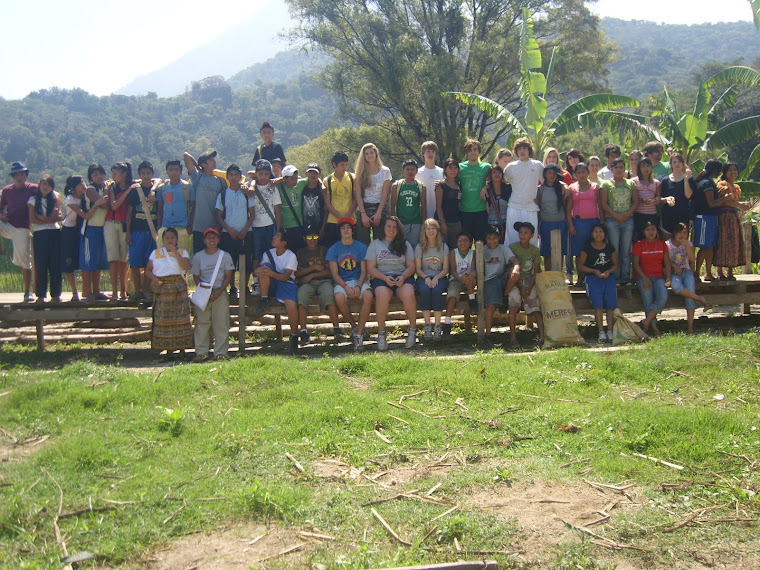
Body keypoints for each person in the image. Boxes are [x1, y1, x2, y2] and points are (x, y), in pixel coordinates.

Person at [366, 216, 417, 351]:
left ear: (398, 230)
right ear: (383, 228)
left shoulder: (405, 244)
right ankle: (382, 333)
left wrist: (403, 276)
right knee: (382, 295)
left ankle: (412, 330)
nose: (391, 229)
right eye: (388, 226)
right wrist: (384, 278)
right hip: (382, 278)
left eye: (394, 227)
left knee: (409, 293)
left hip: (402, 276)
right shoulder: (375, 244)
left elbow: (412, 266)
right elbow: (370, 268)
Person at [145, 227, 193, 360]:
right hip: (162, 288)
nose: (170, 240)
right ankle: (168, 351)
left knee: (181, 318)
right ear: (163, 240)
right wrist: (155, 279)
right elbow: (148, 270)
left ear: (177, 239)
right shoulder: (155, 253)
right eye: (167, 238)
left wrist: (175, 252)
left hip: (179, 288)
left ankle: (183, 350)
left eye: (172, 237)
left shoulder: (183, 252)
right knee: (164, 319)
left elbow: (186, 267)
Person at [326, 217, 373, 351]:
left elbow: (364, 270)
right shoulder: (334, 249)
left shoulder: (361, 247)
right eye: (343, 228)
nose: (346, 230)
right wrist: (346, 287)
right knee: (339, 297)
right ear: (339, 231)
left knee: (369, 296)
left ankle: (358, 335)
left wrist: (358, 286)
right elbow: (334, 274)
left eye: (348, 228)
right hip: (342, 281)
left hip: (359, 279)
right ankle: (355, 327)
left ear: (352, 231)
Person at [190, 227, 234, 362]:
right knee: (202, 323)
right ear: (204, 240)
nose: (211, 240)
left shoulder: (225, 255)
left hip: (220, 292)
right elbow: (196, 276)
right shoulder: (198, 256)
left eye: (214, 237)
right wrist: (203, 291)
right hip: (204, 293)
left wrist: (218, 291)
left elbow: (228, 277)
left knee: (221, 323)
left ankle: (221, 353)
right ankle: (201, 352)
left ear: (219, 239)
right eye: (208, 237)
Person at [62, 175, 108, 302]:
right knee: (70, 262)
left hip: (80, 230)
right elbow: (86, 215)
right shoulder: (70, 200)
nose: (83, 184)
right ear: (73, 187)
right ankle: (75, 292)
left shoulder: (83, 197)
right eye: (79, 183)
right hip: (69, 231)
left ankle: (94, 291)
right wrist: (96, 204)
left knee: (86, 260)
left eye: (83, 182)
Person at [253, 230, 300, 354]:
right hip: (271, 282)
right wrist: (259, 272)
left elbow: (285, 277)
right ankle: (264, 298)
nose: (273, 238)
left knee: (291, 305)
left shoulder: (291, 256)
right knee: (265, 267)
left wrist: (270, 273)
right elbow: (261, 271)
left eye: (277, 237)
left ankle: (294, 335)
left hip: (286, 283)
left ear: (284, 242)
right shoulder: (267, 254)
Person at [216, 164, 255, 300]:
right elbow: (219, 215)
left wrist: (245, 229)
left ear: (240, 177)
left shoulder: (246, 193)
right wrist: (228, 229)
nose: (233, 177)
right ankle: (232, 287)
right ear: (227, 177)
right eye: (231, 175)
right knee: (230, 262)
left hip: (246, 232)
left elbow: (252, 214)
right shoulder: (222, 194)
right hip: (228, 233)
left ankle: (244, 287)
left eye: (236, 175)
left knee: (246, 263)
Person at [295, 231, 341, 344]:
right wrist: (313, 268)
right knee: (301, 296)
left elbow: (329, 270)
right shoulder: (301, 252)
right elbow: (297, 273)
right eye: (309, 237)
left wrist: (313, 274)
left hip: (324, 281)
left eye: (315, 237)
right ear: (304, 238)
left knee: (329, 295)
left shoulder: (324, 250)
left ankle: (337, 330)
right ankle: (304, 331)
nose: (312, 239)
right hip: (307, 283)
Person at [0, 162, 36, 301]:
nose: (19, 177)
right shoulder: (7, 191)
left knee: (25, 262)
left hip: (22, 228)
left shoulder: (33, 188)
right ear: (13, 177)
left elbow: (52, 193)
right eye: (16, 175)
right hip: (8, 224)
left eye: (21, 174)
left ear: (26, 175)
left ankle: (28, 292)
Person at [667, 222, 712, 334]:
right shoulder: (668, 244)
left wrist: (687, 246)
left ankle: (690, 328)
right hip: (674, 272)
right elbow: (665, 262)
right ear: (675, 232)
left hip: (686, 271)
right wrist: (674, 265)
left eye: (685, 233)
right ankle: (700, 299)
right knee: (676, 287)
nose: (682, 235)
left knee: (689, 296)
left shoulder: (688, 244)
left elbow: (692, 260)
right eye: (680, 232)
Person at [599, 158, 638, 285]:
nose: (619, 170)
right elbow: (604, 203)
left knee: (626, 250)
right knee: (614, 249)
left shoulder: (631, 184)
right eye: (616, 167)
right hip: (612, 221)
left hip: (628, 220)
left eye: (622, 167)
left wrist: (627, 214)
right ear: (612, 169)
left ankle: (625, 277)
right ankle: (615, 276)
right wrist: (615, 215)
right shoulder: (606, 184)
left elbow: (635, 201)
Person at [578, 223, 618, 342]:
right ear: (592, 234)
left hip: (608, 278)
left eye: (601, 232)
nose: (598, 234)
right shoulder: (587, 248)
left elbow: (615, 265)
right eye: (596, 232)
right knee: (598, 305)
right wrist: (594, 271)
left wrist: (609, 271)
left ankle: (610, 331)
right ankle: (601, 331)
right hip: (592, 279)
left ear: (605, 234)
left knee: (610, 305)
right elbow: (580, 265)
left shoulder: (610, 248)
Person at [507, 222, 544, 349]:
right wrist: (521, 287)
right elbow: (511, 270)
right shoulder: (513, 247)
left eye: (526, 233)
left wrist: (529, 287)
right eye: (520, 232)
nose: (522, 235)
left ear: (531, 235)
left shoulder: (534, 250)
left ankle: (542, 337)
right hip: (515, 283)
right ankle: (513, 338)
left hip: (529, 282)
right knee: (513, 307)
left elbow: (537, 271)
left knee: (535, 308)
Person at [126, 161, 159, 301]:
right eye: (143, 173)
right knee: (134, 262)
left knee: (148, 263)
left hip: (151, 232)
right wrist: (128, 232)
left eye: (148, 173)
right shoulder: (135, 190)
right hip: (136, 231)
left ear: (152, 174)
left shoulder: (157, 189)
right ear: (139, 174)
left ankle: (146, 289)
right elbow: (129, 213)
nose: (146, 176)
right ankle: (137, 290)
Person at [632, 221, 671, 336]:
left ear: (657, 231)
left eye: (653, 229)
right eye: (648, 230)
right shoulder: (639, 244)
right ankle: (654, 327)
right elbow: (636, 264)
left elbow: (667, 263)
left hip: (659, 277)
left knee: (663, 297)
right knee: (647, 300)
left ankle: (646, 322)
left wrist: (668, 277)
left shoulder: (662, 244)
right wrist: (644, 278)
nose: (651, 232)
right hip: (643, 277)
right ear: (643, 232)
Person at [27, 175, 62, 303]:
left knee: (55, 264)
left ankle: (56, 294)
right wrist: (46, 220)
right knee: (41, 265)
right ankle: (41, 295)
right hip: (39, 234)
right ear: (39, 185)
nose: (46, 187)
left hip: (54, 232)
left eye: (49, 184)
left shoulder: (55, 198)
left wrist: (43, 219)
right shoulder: (32, 200)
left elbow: (59, 217)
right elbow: (32, 219)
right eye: (44, 184)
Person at [184, 149, 226, 254]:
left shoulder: (221, 181)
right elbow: (186, 155)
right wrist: (198, 167)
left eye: (213, 159)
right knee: (199, 257)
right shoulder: (197, 177)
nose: (214, 161)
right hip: (199, 226)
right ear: (204, 164)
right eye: (210, 160)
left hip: (215, 225)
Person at [714, 162, 750, 280]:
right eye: (730, 170)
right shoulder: (722, 185)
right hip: (724, 216)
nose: (733, 172)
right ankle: (719, 271)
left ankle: (730, 271)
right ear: (725, 172)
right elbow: (724, 201)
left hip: (733, 217)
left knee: (734, 242)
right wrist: (739, 205)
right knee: (723, 241)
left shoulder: (737, 187)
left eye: (735, 169)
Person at [504, 137, 543, 246]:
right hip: (514, 207)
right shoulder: (510, 167)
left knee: (532, 240)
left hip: (531, 208)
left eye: (524, 148)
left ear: (529, 150)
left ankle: (531, 263)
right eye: (519, 149)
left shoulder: (538, 165)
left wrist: (540, 198)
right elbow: (502, 182)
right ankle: (511, 262)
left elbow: (547, 183)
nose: (522, 151)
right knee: (512, 238)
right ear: (516, 151)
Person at [415, 218, 449, 340]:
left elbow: (445, 269)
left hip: (439, 276)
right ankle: (427, 325)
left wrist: (436, 278)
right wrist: (426, 278)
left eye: (433, 228)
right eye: (428, 228)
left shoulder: (444, 247)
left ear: (437, 230)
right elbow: (418, 269)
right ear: (424, 231)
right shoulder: (420, 247)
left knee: (436, 291)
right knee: (424, 291)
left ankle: (438, 325)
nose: (430, 231)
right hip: (424, 277)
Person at [81, 163, 111, 301]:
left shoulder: (106, 187)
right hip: (91, 228)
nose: (99, 177)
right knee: (89, 263)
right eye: (95, 175)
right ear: (91, 177)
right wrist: (106, 189)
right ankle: (87, 292)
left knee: (98, 262)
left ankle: (96, 291)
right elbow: (104, 205)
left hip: (102, 228)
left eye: (101, 174)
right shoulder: (91, 189)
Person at [568, 162, 600, 287]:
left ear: (588, 172)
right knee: (579, 252)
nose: (581, 175)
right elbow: (568, 209)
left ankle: (593, 276)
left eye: (583, 172)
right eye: (578, 172)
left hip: (593, 222)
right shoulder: (572, 188)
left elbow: (600, 206)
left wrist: (601, 222)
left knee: (593, 249)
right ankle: (580, 278)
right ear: (575, 174)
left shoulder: (595, 187)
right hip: (578, 223)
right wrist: (571, 225)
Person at [249, 159, 282, 280]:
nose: (263, 177)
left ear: (270, 174)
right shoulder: (250, 187)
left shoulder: (273, 188)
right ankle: (256, 281)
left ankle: (271, 279)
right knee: (257, 255)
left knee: (271, 253)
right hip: (255, 226)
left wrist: (278, 230)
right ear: (256, 173)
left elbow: (277, 211)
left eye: (266, 174)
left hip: (270, 225)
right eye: (260, 173)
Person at [105, 163, 134, 300]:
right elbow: (114, 205)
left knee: (123, 259)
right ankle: (115, 291)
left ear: (124, 174)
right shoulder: (112, 188)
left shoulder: (133, 186)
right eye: (113, 174)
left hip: (124, 225)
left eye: (116, 174)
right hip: (111, 223)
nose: (113, 177)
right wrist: (127, 192)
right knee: (113, 259)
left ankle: (123, 290)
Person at [354, 143, 392, 245]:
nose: (369, 155)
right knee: (363, 242)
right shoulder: (360, 172)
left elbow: (385, 194)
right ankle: (364, 261)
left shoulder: (385, 171)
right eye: (366, 154)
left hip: (379, 208)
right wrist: (363, 214)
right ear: (364, 156)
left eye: (371, 152)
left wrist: (379, 213)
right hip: (364, 208)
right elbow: (358, 195)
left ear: (376, 153)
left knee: (380, 241)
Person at [693, 159, 724, 281]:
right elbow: (711, 203)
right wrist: (724, 199)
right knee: (705, 246)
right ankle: (696, 272)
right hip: (705, 218)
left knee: (710, 246)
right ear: (716, 171)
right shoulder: (707, 183)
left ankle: (708, 273)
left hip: (710, 218)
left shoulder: (706, 182)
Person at [443, 232, 478, 337]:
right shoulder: (453, 253)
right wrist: (460, 277)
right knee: (452, 296)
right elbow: (453, 271)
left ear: (470, 243)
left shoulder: (473, 253)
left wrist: (470, 275)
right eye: (460, 241)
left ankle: (472, 300)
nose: (462, 243)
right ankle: (447, 323)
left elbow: (473, 269)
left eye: (465, 241)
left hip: (468, 278)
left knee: (469, 281)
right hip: (456, 279)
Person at [537, 163, 570, 272]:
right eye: (549, 173)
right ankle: (549, 276)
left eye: (554, 173)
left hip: (560, 223)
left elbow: (567, 205)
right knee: (547, 253)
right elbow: (538, 207)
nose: (551, 175)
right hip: (546, 224)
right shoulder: (540, 189)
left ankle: (558, 277)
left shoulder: (562, 188)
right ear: (545, 174)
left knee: (559, 252)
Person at [157, 160, 194, 254]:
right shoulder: (162, 188)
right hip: (165, 227)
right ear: (167, 171)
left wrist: (190, 227)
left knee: (182, 258)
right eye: (171, 170)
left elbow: (193, 208)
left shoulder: (187, 188)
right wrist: (158, 228)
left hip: (182, 228)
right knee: (163, 257)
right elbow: (160, 209)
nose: (173, 172)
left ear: (181, 171)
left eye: (176, 170)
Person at [457, 139, 490, 243]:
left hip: (481, 210)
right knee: (466, 242)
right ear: (466, 152)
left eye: (475, 149)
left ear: (479, 151)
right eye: (470, 150)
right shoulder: (460, 167)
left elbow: (494, 182)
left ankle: (481, 260)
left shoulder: (486, 167)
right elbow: (451, 181)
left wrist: (485, 188)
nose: (473, 152)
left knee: (481, 242)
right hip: (464, 211)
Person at [323, 151, 356, 247]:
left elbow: (355, 199)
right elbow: (327, 203)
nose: (345, 168)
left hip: (351, 220)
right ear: (334, 164)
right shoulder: (328, 180)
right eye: (342, 165)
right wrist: (339, 216)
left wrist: (348, 215)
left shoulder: (352, 177)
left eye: (346, 165)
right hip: (333, 221)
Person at [390, 159, 426, 249]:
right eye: (408, 169)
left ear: (416, 171)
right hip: (401, 222)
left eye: (413, 169)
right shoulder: (397, 185)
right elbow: (392, 205)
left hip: (416, 223)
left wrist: (424, 224)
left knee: (415, 247)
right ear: (403, 170)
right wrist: (394, 223)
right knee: (400, 247)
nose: (410, 171)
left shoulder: (421, 186)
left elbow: (423, 207)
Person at [659, 153, 693, 237]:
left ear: (682, 164)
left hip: (683, 215)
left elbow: (688, 196)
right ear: (671, 164)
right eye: (674, 162)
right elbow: (660, 198)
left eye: (679, 162)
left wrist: (686, 180)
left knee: (682, 244)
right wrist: (667, 199)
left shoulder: (689, 179)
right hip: (668, 216)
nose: (677, 164)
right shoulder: (665, 181)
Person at [632, 157, 663, 242]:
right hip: (638, 215)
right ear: (639, 168)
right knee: (637, 239)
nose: (646, 168)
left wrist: (657, 200)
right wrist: (641, 200)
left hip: (652, 215)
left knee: (651, 239)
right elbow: (631, 198)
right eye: (643, 166)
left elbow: (658, 199)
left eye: (648, 166)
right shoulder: (633, 181)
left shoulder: (657, 183)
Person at [278, 165, 307, 252]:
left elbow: (315, 178)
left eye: (295, 178)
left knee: (299, 251)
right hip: (285, 226)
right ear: (284, 178)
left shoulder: (301, 183)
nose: (294, 181)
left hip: (298, 225)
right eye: (291, 179)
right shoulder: (279, 186)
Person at [435, 158, 462, 251]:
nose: (453, 170)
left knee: (454, 250)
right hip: (443, 222)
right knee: (443, 249)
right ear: (445, 170)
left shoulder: (459, 185)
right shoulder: (440, 186)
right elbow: (438, 207)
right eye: (450, 167)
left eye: (455, 168)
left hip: (456, 223)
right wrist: (442, 223)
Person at [417, 141, 444, 220]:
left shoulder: (442, 172)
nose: (430, 154)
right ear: (423, 154)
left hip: (439, 214)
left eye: (433, 151)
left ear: (436, 154)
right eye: (428, 151)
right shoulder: (417, 173)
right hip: (422, 214)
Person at [482, 165, 510, 241]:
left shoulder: (508, 188)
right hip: (491, 225)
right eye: (494, 172)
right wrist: (485, 188)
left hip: (506, 225)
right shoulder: (487, 190)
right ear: (490, 175)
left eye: (499, 172)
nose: (497, 174)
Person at [301, 164, 326, 241]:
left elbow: (326, 210)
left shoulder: (322, 190)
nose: (313, 175)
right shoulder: (301, 188)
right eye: (310, 172)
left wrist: (323, 228)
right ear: (306, 174)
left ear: (319, 175)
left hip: (319, 226)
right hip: (303, 226)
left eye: (315, 173)